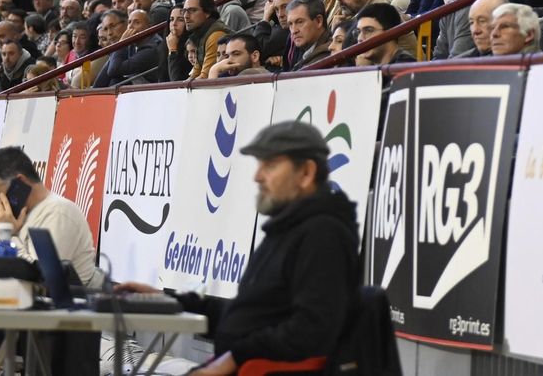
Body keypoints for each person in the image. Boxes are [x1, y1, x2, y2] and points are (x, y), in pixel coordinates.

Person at [118, 122, 361, 375]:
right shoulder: (287, 230)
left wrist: (235, 357)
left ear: (307, 173)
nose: (257, 176)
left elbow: (311, 330)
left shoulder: (323, 234)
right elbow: (248, 315)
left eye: (270, 165)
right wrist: (168, 301)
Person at [0, 147, 96, 284]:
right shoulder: (17, 215)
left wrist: (6, 237)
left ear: (20, 183)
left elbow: (38, 281)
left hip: (60, 297)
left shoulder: (58, 213)